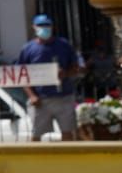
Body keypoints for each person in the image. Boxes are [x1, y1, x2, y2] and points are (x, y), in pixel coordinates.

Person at [14, 13, 81, 141]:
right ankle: (34, 160)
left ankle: (68, 159)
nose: (44, 28)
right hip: (40, 100)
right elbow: (21, 75)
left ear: (52, 27)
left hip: (64, 97)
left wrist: (65, 73)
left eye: (47, 25)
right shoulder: (28, 49)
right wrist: (32, 96)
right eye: (40, 25)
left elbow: (76, 67)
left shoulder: (64, 45)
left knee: (68, 133)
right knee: (36, 135)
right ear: (34, 27)